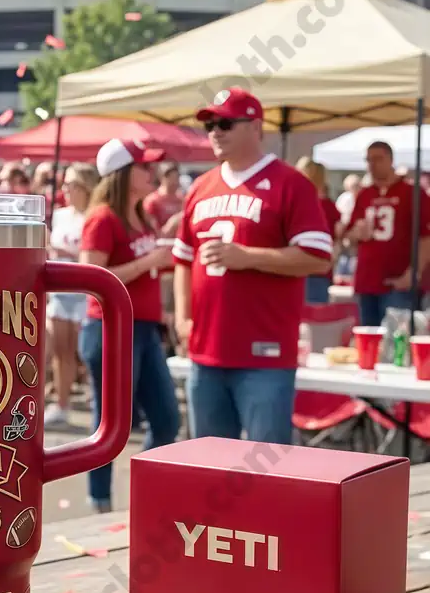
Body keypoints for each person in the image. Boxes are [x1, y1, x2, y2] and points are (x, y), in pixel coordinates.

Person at [173, 88, 332, 444]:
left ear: (255, 127)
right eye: (211, 124)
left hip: (264, 353)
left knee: (266, 472)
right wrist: (184, 319)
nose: (215, 132)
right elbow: (183, 260)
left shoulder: (291, 183)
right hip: (206, 352)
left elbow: (318, 256)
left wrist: (249, 257)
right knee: (209, 465)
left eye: (226, 123)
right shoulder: (200, 187)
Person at [79, 139, 179, 512]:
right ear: (123, 174)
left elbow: (144, 266)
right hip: (111, 329)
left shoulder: (141, 214)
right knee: (111, 426)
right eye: (144, 166)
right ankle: (99, 502)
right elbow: (91, 275)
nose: (151, 172)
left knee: (167, 419)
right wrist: (148, 261)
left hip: (145, 328)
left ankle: (147, 497)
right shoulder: (103, 218)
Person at [342, 141, 430, 328]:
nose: (372, 165)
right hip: (367, 281)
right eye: (368, 160)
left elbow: (426, 236)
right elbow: (347, 237)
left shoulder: (412, 192)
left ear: (391, 160)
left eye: (378, 159)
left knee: (396, 341)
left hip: (399, 283)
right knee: (368, 339)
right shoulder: (365, 194)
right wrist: (355, 234)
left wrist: (413, 272)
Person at [46, 163, 97, 428]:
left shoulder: (93, 216)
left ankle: (97, 403)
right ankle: (62, 403)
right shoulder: (61, 215)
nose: (66, 190)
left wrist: (64, 253)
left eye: (71, 185)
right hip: (60, 291)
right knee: (60, 351)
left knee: (84, 354)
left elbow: (92, 257)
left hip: (84, 292)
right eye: (65, 184)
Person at [295, 156, 341, 305]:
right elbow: (338, 236)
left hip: (304, 269)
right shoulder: (329, 207)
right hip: (318, 270)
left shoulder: (304, 205)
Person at [143, 160, 185, 234]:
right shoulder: (152, 201)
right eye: (171, 178)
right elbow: (153, 232)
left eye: (177, 178)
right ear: (162, 178)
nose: (175, 182)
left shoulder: (181, 199)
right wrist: (172, 224)